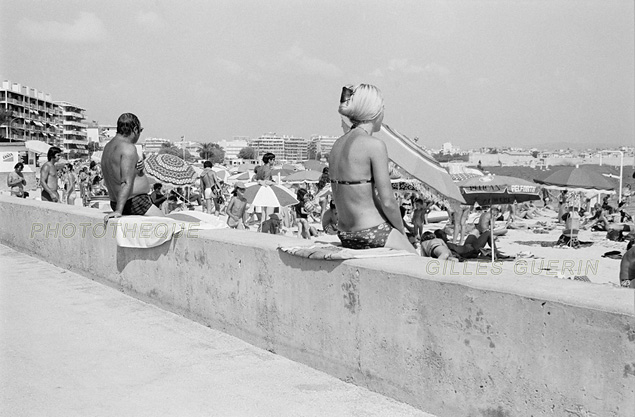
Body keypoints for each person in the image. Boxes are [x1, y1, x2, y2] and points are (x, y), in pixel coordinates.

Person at [329, 84, 415, 253]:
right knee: (417, 261)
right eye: (382, 108)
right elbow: (388, 202)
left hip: (345, 233)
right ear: (374, 111)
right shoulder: (374, 145)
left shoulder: (337, 145)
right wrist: (401, 232)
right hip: (371, 231)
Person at [102, 113, 163, 223]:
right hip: (133, 202)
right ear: (135, 129)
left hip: (116, 201)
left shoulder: (108, 147)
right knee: (169, 226)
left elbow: (114, 173)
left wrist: (138, 169)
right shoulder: (128, 148)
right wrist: (118, 211)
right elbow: (125, 181)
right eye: (140, 130)